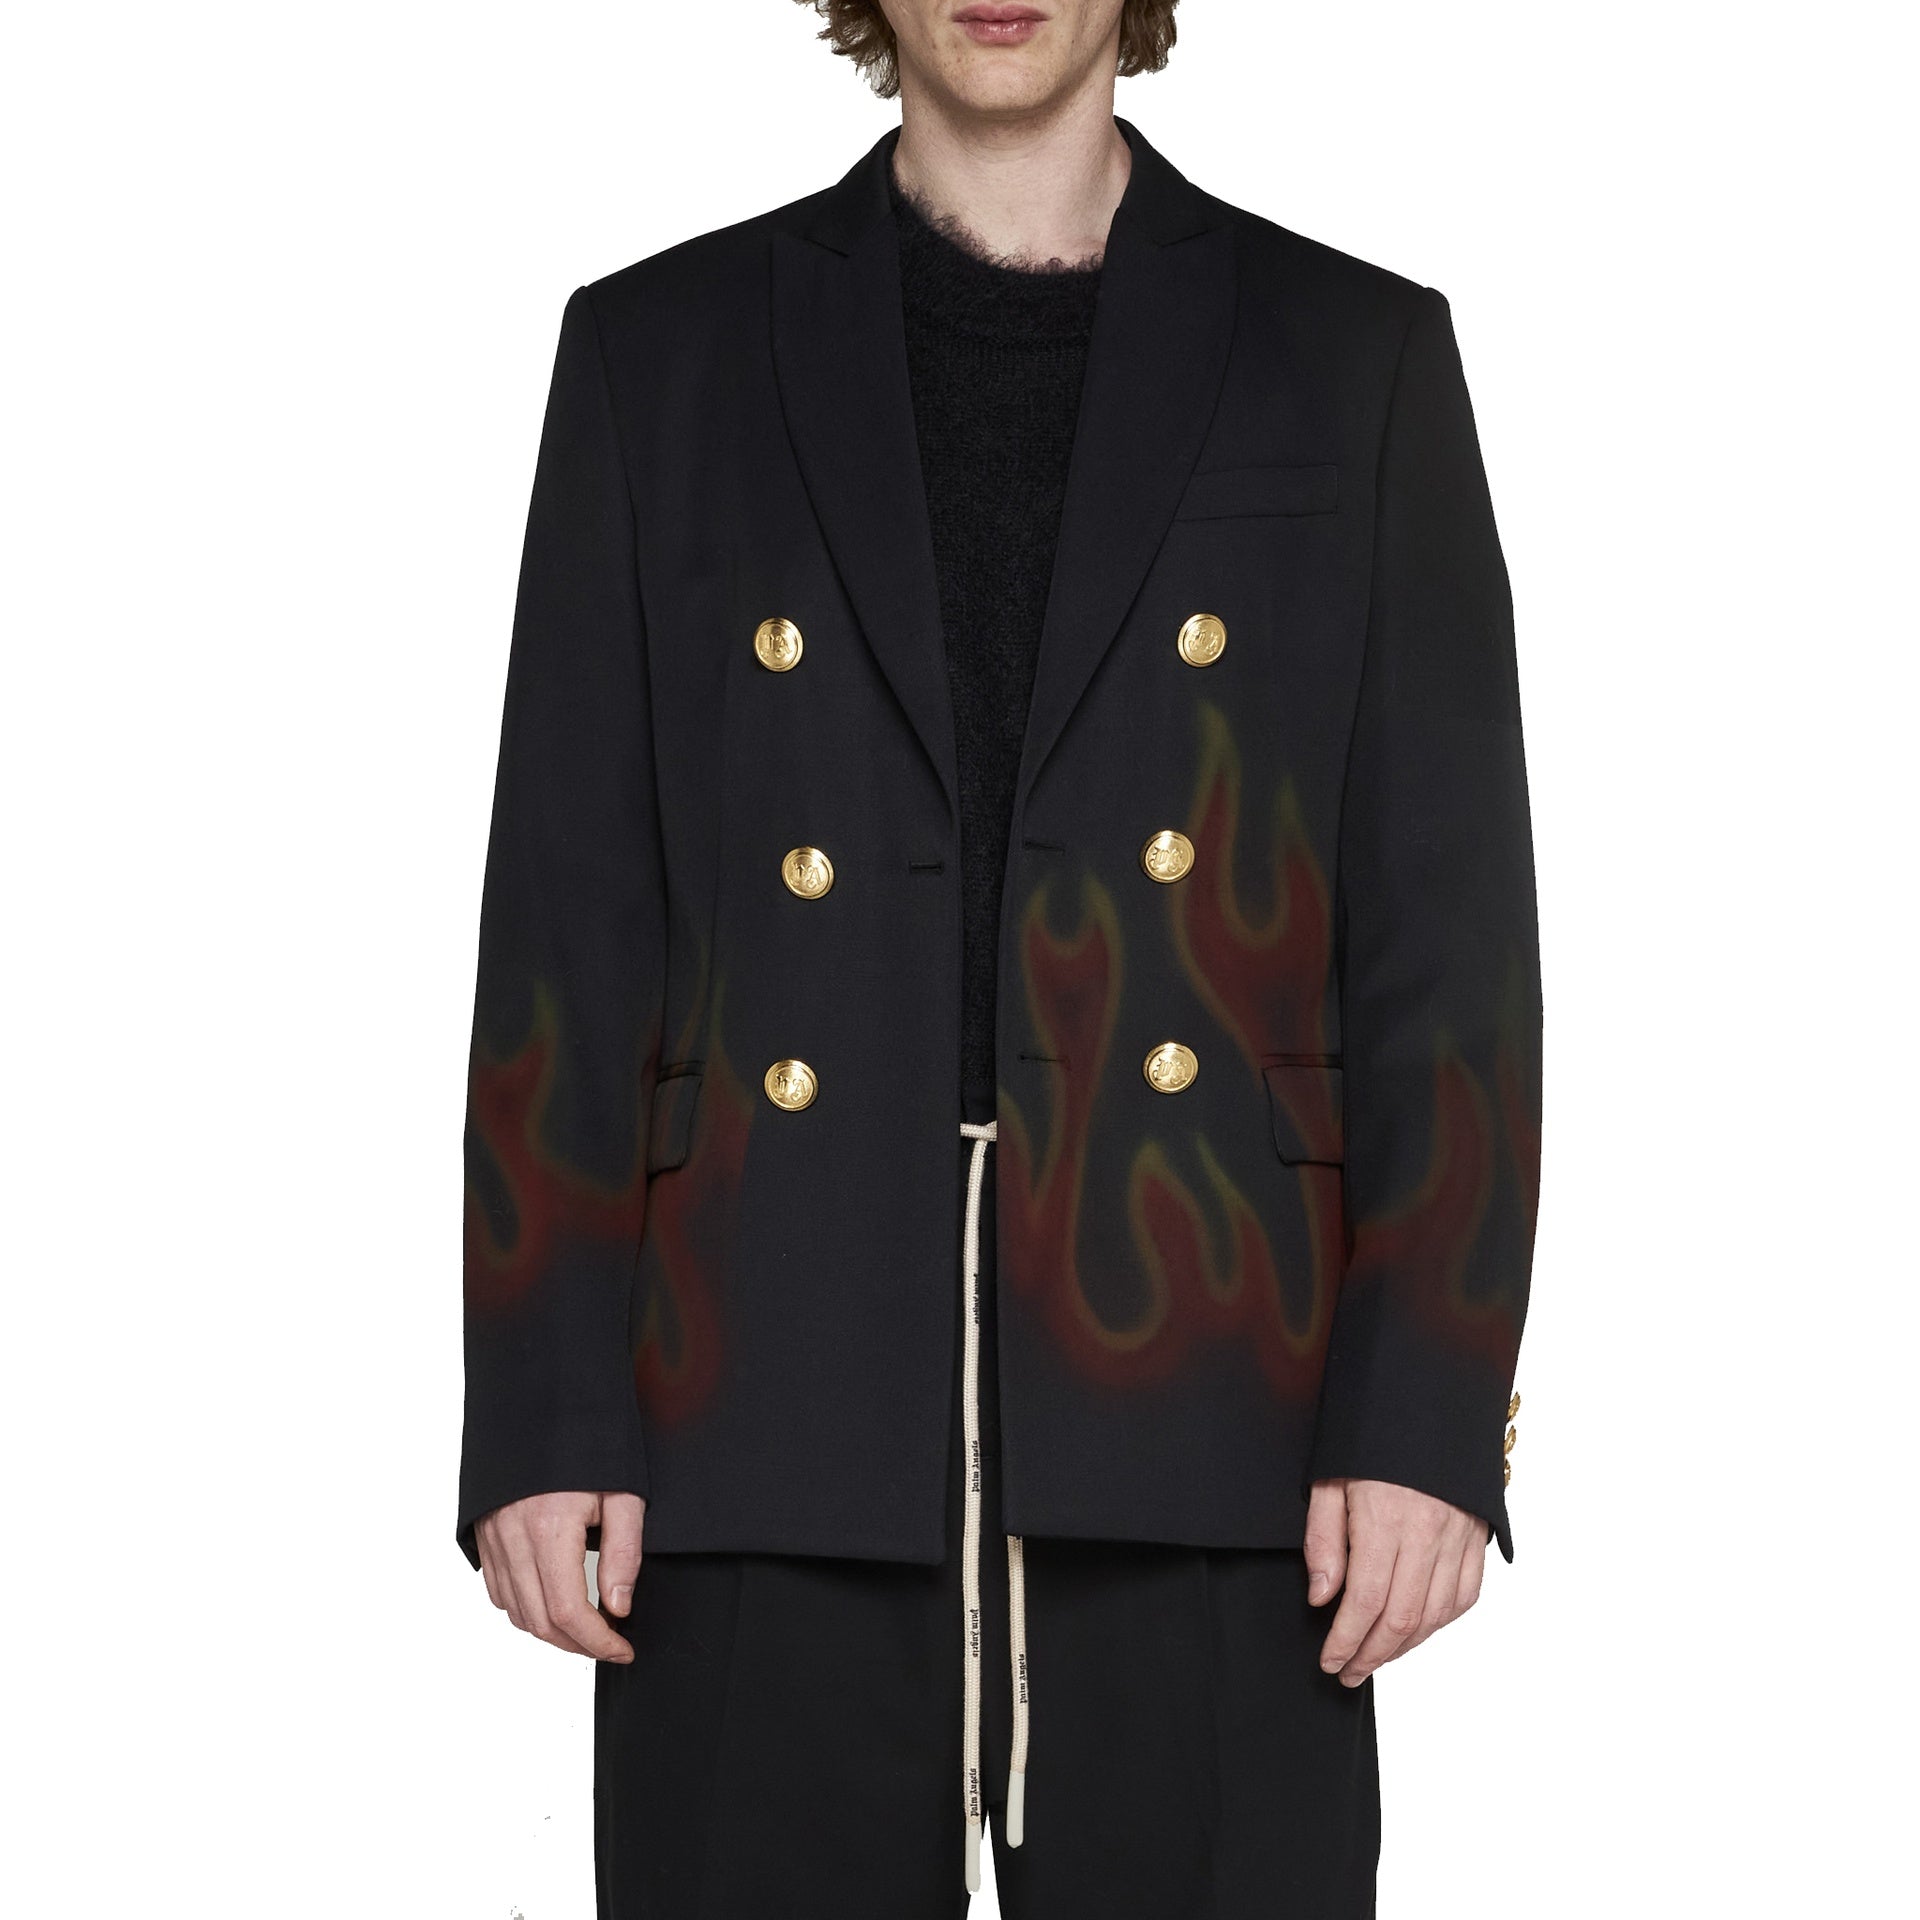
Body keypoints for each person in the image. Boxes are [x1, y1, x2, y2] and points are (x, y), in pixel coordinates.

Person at [456, 1, 1542, 1912]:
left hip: (1214, 1402)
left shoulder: (1353, 354)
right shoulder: (658, 355)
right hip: (757, 1399)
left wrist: (1427, 1415)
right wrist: (545, 1411)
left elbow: (1445, 948)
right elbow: (570, 923)